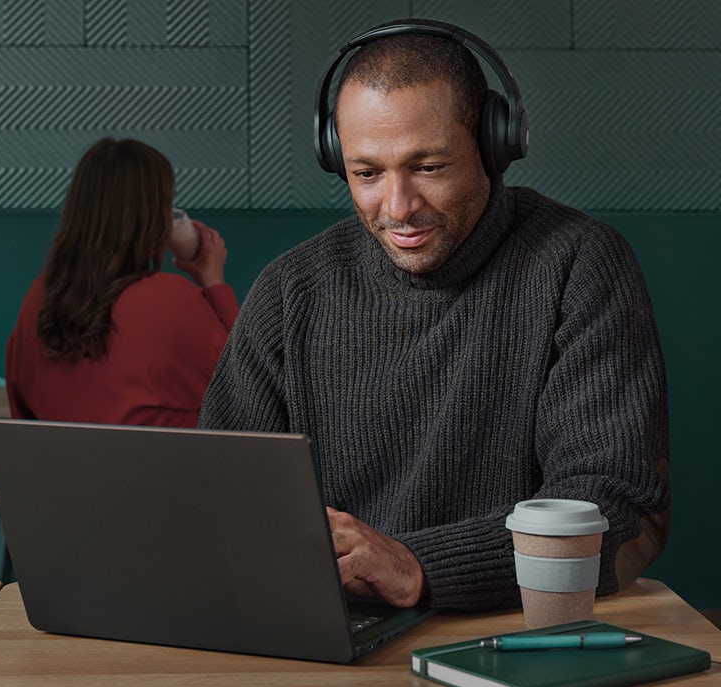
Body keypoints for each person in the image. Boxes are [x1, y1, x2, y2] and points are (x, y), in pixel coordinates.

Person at [198, 20, 671, 611]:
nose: (398, 207)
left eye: (428, 167)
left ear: (494, 146)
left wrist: (416, 566)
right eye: (366, 173)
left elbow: (612, 503)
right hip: (327, 629)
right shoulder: (291, 289)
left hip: (506, 630)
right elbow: (222, 498)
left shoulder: (580, 264)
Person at [5, 137, 239, 427]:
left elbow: (22, 416)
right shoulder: (172, 298)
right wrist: (213, 279)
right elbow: (249, 386)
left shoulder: (38, 298)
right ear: (154, 217)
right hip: (166, 470)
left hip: (63, 471)